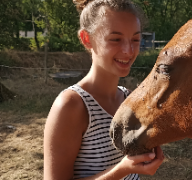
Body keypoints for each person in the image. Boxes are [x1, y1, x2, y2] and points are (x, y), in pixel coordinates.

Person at [43, 0, 164, 179]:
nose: (128, 50)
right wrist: (123, 169)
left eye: (135, 39)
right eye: (115, 39)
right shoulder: (71, 105)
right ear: (87, 39)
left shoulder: (128, 98)